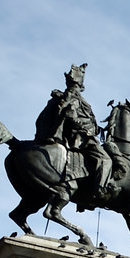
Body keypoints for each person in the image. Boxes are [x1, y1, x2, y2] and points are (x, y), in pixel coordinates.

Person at [34, 64, 117, 205]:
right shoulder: (73, 97)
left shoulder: (68, 95)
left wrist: (96, 129)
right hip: (79, 138)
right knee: (105, 160)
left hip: (80, 135)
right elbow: (70, 115)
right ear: (79, 84)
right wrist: (85, 129)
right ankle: (99, 191)